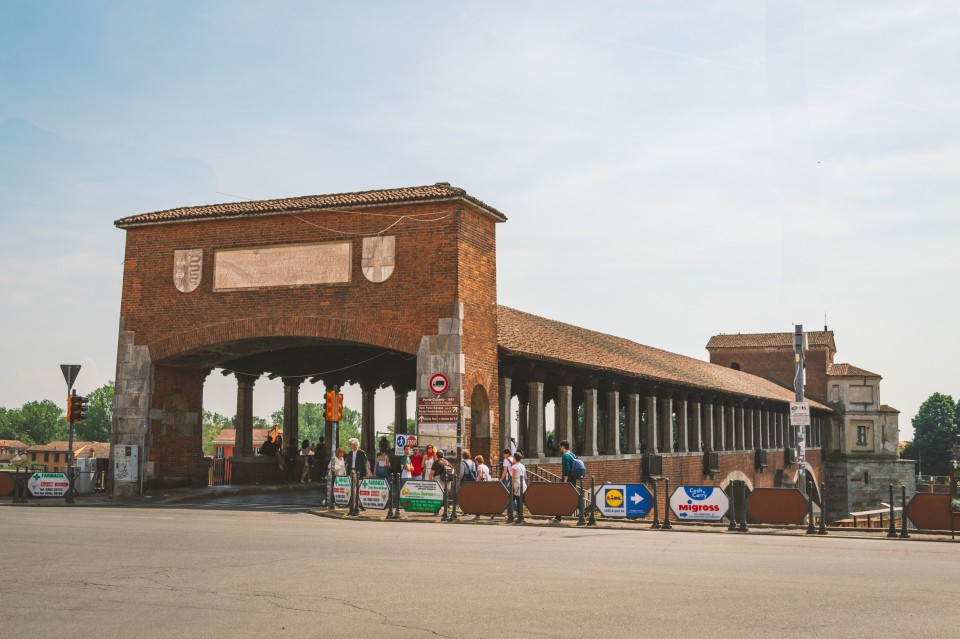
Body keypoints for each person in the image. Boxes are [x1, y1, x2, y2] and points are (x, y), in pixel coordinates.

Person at [556, 439, 583, 522]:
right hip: (573, 478)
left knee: (561, 498)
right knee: (573, 497)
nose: (560, 449)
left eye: (560, 447)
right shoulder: (572, 454)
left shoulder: (565, 456)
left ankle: (558, 517)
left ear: (563, 447)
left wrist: (564, 482)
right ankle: (584, 513)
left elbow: (566, 470)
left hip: (567, 480)